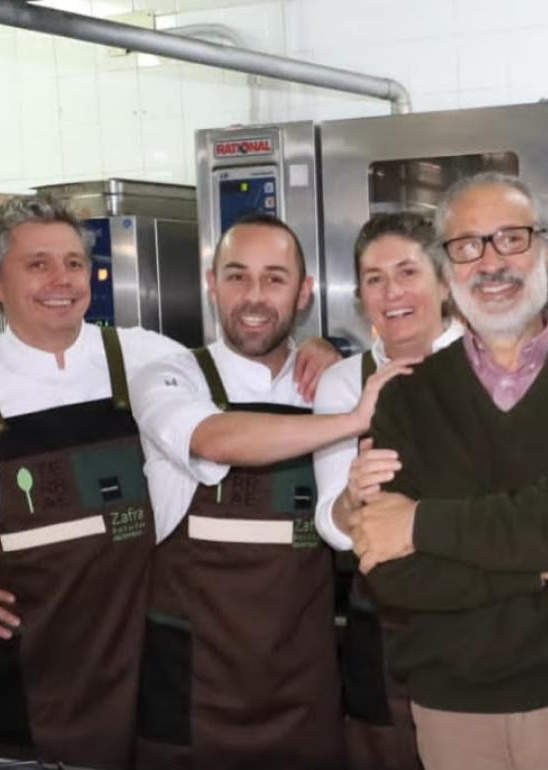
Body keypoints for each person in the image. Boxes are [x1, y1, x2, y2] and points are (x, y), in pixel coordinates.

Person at [346, 173, 548, 770]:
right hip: (452, 712)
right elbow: (392, 572)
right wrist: (546, 569)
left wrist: (420, 523)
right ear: (447, 270)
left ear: (546, 250)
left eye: (511, 239)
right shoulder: (406, 400)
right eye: (468, 245)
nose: (491, 263)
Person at [0, 195, 174, 767]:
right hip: (33, 677)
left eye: (74, 263)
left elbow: (241, 388)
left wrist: (317, 354)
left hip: (146, 664)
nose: (62, 280)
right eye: (38, 264)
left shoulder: (144, 357)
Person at [129, 213, 404, 770]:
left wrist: (334, 373)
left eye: (275, 278)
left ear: (304, 293)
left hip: (304, 690)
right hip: (190, 689)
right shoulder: (171, 376)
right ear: (212, 284)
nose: (254, 296)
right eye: (237, 276)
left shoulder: (331, 386)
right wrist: (352, 420)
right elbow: (216, 439)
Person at [311, 211, 464, 770]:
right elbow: (331, 525)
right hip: (383, 621)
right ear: (361, 299)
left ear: (444, 283)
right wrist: (351, 497)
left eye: (407, 272)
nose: (392, 292)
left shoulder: (492, 364)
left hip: (481, 615)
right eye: (374, 279)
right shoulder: (343, 382)